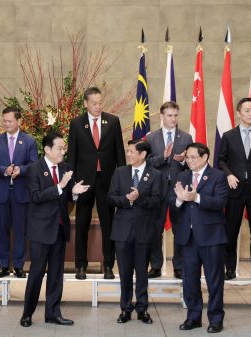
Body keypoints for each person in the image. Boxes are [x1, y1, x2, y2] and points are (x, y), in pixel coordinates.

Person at [19, 132, 89, 327]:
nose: (62, 151)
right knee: (37, 272)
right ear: (47, 149)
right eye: (59, 148)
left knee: (56, 274)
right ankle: (27, 313)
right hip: (41, 230)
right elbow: (36, 197)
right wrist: (61, 186)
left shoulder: (65, 168)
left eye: (64, 147)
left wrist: (73, 194)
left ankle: (53, 313)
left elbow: (65, 199)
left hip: (59, 229)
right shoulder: (34, 169)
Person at [67, 86, 126, 280]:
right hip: (84, 182)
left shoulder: (113, 121)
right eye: (94, 103)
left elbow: (120, 154)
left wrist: (122, 181)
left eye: (100, 102)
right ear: (85, 103)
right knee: (82, 224)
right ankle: (81, 266)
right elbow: (73, 156)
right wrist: (73, 183)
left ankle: (109, 265)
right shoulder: (76, 124)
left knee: (108, 225)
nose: (98, 106)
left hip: (107, 181)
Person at [171, 142, 228, 333]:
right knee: (189, 281)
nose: (189, 161)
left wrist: (196, 197)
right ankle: (193, 317)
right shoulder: (182, 176)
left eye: (193, 157)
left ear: (205, 157)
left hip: (212, 238)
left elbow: (220, 202)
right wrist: (179, 199)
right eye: (187, 157)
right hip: (188, 239)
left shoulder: (218, 176)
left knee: (214, 281)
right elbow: (172, 202)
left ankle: (216, 319)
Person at [217, 97, 251, 281]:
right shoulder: (228, 136)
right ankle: (230, 269)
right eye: (247, 110)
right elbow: (221, 160)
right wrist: (229, 175)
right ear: (239, 113)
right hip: (234, 190)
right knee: (231, 231)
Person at [108, 140, 161, 324]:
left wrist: (139, 199)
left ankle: (142, 309)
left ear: (142, 154)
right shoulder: (119, 172)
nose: (128, 154)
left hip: (144, 231)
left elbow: (156, 202)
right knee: (124, 272)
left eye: (131, 152)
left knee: (142, 273)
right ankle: (125, 309)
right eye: (127, 151)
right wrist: (127, 200)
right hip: (122, 231)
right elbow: (111, 198)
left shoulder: (155, 175)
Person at [0, 107, 38, 278]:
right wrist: (3, 170)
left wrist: (20, 171)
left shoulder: (29, 141)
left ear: (19, 121)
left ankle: (19, 265)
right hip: (1, 193)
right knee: (1, 230)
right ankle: (3, 265)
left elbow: (34, 164)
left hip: (21, 193)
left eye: (10, 121)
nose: (6, 124)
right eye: (4, 120)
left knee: (20, 230)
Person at [146, 101, 192, 279]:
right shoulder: (151, 138)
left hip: (178, 190)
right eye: (169, 115)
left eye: (175, 115)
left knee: (180, 229)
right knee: (155, 229)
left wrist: (182, 161)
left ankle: (178, 266)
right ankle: (156, 266)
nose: (173, 118)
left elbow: (192, 164)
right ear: (162, 117)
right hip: (157, 190)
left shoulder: (186, 138)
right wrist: (162, 157)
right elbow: (146, 163)